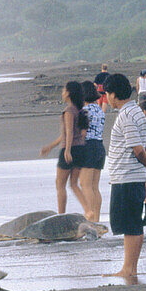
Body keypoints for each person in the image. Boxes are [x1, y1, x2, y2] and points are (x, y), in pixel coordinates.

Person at [103, 73, 146, 279]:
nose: (107, 98)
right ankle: (129, 268)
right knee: (132, 223)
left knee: (131, 224)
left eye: (107, 93)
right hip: (132, 176)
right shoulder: (136, 111)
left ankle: (129, 269)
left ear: (114, 94)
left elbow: (138, 148)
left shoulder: (126, 115)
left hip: (127, 176)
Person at [40, 81, 88, 212]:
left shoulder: (69, 111)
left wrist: (67, 150)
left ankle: (61, 214)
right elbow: (71, 134)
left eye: (64, 90)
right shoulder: (80, 110)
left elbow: (69, 132)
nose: (62, 93)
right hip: (80, 149)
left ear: (68, 93)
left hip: (70, 149)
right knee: (73, 184)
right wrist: (50, 146)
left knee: (60, 184)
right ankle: (88, 210)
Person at [77, 81, 106, 221]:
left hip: (87, 146)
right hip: (99, 146)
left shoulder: (83, 111)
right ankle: (96, 219)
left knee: (85, 185)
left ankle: (90, 218)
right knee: (94, 186)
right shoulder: (100, 110)